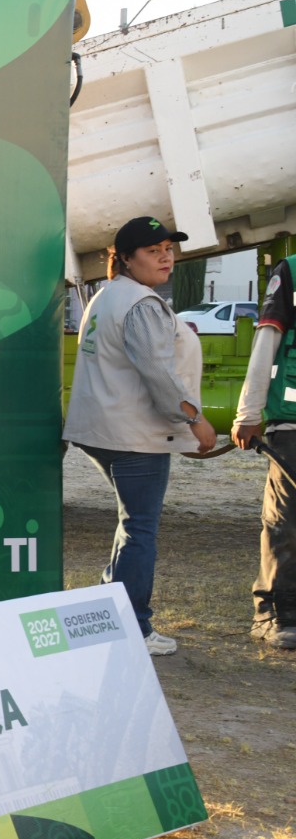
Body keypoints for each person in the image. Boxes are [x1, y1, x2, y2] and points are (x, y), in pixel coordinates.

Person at [64, 217, 216, 656]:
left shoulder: (107, 295)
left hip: (102, 429)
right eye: (153, 251)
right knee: (140, 530)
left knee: (131, 526)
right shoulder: (142, 304)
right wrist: (194, 419)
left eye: (169, 248)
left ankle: (109, 612)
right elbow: (159, 373)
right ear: (127, 259)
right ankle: (134, 627)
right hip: (133, 435)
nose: (166, 257)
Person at [230, 252, 296, 651]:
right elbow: (266, 342)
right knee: (286, 523)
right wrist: (249, 412)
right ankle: (275, 613)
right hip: (292, 422)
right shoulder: (292, 272)